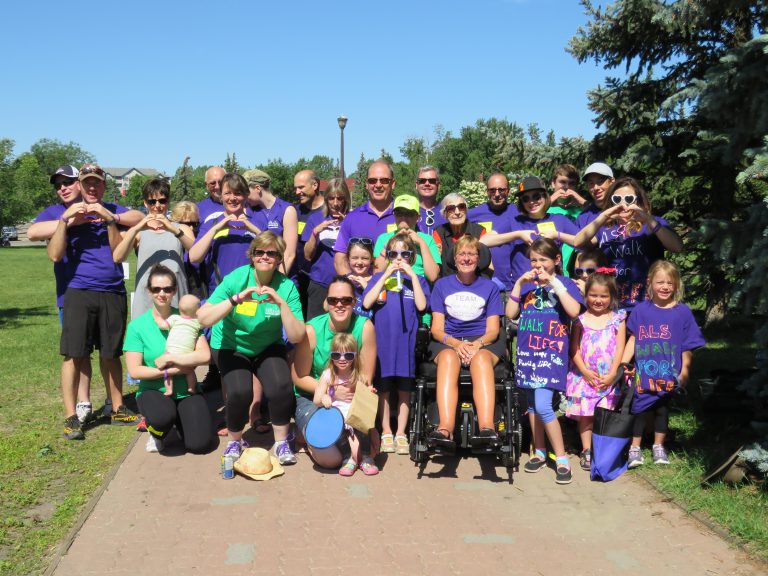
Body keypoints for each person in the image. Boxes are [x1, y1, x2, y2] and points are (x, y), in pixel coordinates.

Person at [48, 164, 144, 439]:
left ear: (103, 186)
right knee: (74, 354)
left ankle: (117, 407)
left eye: (97, 184)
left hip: (112, 289)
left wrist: (110, 218)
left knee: (111, 353)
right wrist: (65, 221)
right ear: (80, 184)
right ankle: (71, 416)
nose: (92, 188)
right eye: (87, 183)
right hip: (78, 290)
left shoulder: (111, 209)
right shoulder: (67, 212)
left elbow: (118, 254)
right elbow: (54, 254)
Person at [198, 232, 305, 465]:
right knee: (239, 392)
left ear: (279, 259)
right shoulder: (237, 278)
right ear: (252, 255)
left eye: (272, 253)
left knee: (281, 387)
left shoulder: (286, 287)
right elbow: (204, 318)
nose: (265, 257)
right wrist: (236, 299)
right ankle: (235, 441)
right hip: (231, 344)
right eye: (260, 252)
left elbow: (297, 335)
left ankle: (281, 443)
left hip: (267, 345)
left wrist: (281, 303)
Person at [506, 238, 583, 484]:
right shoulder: (528, 287)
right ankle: (538, 451)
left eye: (543, 260)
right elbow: (510, 313)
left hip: (551, 354)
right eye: (534, 260)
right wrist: (519, 283)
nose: (538, 265)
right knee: (531, 405)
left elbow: (573, 312)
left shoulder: (566, 283)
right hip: (528, 353)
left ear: (556, 261)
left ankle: (561, 458)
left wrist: (554, 283)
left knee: (543, 405)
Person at [622, 260, 705, 468]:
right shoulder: (641, 311)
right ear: (650, 282)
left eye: (670, 282)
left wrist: (685, 370)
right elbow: (633, 339)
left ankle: (659, 446)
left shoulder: (683, 312)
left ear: (676, 284)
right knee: (639, 409)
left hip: (668, 374)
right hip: (643, 373)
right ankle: (635, 448)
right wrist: (624, 362)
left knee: (661, 410)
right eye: (660, 282)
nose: (665, 287)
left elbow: (688, 345)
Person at [28, 165, 95, 423]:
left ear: (79, 183)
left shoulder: (94, 203)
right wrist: (67, 219)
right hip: (67, 294)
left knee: (91, 350)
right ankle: (80, 404)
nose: (63, 188)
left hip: (98, 290)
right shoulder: (55, 212)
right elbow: (33, 232)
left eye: (67, 182)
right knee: (74, 351)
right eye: (58, 185)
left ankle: (87, 400)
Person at [123, 265, 213, 453]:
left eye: (168, 289)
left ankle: (179, 422)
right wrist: (173, 370)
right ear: (149, 291)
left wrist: (174, 362)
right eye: (156, 289)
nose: (162, 293)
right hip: (153, 390)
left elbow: (205, 356)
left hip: (186, 391)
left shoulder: (187, 318)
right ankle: (156, 431)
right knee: (162, 418)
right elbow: (135, 370)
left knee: (199, 445)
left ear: (174, 291)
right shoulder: (137, 326)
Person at [291, 276, 377, 469]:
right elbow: (298, 377)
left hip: (350, 397)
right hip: (312, 396)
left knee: (363, 451)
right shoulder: (312, 330)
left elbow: (365, 378)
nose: (339, 304)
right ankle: (307, 435)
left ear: (354, 302)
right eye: (333, 300)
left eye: (346, 300)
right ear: (326, 303)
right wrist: (330, 391)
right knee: (331, 460)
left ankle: (326, 436)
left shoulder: (364, 327)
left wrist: (370, 426)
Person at [428, 236, 505, 447]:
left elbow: (493, 330)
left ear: (478, 258)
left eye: (471, 254)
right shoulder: (442, 286)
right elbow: (436, 329)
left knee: (480, 360)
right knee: (449, 359)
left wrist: (476, 345)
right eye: (462, 253)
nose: (466, 258)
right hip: (448, 340)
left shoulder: (490, 288)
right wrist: (456, 344)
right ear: (455, 257)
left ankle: (487, 428)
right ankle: (445, 428)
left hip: (483, 341)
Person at [363, 233, 430, 456]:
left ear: (412, 257)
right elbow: (366, 302)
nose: (399, 258)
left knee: (404, 390)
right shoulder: (379, 277)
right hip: (382, 344)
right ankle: (386, 431)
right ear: (388, 256)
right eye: (393, 254)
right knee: (383, 390)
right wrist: (384, 276)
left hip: (406, 344)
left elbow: (421, 306)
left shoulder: (417, 280)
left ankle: (401, 432)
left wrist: (411, 274)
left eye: (405, 254)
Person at [573, 177, 684, 310]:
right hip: (612, 305)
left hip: (648, 304)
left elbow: (678, 247)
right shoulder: (605, 227)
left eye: (629, 199)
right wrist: (603, 216)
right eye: (617, 200)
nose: (623, 204)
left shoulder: (652, 224)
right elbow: (577, 242)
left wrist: (648, 219)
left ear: (638, 200)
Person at [566, 269, 627, 471]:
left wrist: (612, 374)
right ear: (586, 295)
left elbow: (620, 347)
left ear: (612, 297)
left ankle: (603, 449)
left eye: (603, 296)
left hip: (607, 378)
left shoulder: (618, 318)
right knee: (586, 416)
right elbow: (573, 349)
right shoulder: (580, 320)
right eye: (593, 295)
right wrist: (584, 371)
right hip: (585, 377)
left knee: (605, 415)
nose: (598, 300)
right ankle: (586, 449)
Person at [113, 178, 195, 319]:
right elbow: (118, 257)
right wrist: (136, 228)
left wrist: (174, 230)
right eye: (152, 202)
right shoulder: (138, 232)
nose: (157, 206)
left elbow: (196, 252)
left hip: (175, 298)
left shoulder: (182, 228)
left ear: (168, 202)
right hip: (146, 299)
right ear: (145, 203)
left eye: (162, 201)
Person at [490, 176, 579, 288]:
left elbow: (586, 242)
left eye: (536, 197)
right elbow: (485, 240)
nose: (531, 202)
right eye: (526, 199)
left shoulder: (559, 219)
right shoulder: (514, 221)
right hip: (523, 292)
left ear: (545, 196)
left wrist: (557, 235)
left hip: (553, 289)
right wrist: (518, 235)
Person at [313, 333, 379, 476]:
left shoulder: (358, 375)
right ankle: (347, 458)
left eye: (348, 356)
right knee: (337, 428)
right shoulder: (328, 375)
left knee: (364, 423)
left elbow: (364, 394)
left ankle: (366, 458)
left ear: (354, 356)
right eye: (337, 355)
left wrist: (369, 392)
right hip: (337, 415)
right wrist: (324, 397)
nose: (342, 359)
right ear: (331, 356)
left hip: (355, 414)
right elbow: (316, 399)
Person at [189, 172, 261, 295]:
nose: (232, 198)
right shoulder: (211, 224)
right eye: (227, 193)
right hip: (220, 294)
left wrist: (254, 230)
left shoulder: (258, 221)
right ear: (221, 196)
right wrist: (216, 229)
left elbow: (276, 252)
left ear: (246, 195)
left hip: (253, 292)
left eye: (237, 193)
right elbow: (194, 257)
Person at [334, 160, 396, 275]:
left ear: (393, 184)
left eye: (384, 180)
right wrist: (355, 285)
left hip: (396, 290)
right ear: (366, 185)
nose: (378, 185)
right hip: (360, 291)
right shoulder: (352, 218)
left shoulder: (405, 217)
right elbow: (340, 260)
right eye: (372, 181)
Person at [302, 178, 351, 319]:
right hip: (320, 283)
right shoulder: (315, 219)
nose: (335, 203)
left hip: (345, 284)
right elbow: (307, 255)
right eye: (331, 198)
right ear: (326, 199)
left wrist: (347, 224)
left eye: (340, 198)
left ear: (346, 199)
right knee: (316, 329)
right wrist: (315, 233)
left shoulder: (352, 220)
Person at [373, 194, 441, 283]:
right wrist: (390, 242)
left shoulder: (427, 239)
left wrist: (421, 243)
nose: (403, 217)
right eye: (399, 213)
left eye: (409, 214)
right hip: (391, 292)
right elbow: (377, 273)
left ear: (418, 217)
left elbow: (433, 276)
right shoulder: (384, 238)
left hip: (418, 289)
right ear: (394, 215)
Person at [469, 173, 518, 292]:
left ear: (508, 191)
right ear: (487, 191)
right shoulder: (473, 214)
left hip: (512, 286)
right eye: (492, 190)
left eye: (501, 190)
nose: (497, 194)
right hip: (481, 284)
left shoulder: (518, 212)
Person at [245, 168, 298, 276]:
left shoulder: (287, 210)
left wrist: (275, 283)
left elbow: (289, 254)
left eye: (246, 192)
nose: (245, 197)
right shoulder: (249, 210)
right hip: (258, 280)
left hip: (282, 278)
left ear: (257, 188)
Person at [432, 193, 487, 277]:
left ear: (466, 210)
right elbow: (435, 264)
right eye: (451, 208)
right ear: (445, 214)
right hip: (448, 283)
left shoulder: (479, 231)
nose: (457, 212)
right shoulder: (439, 232)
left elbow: (486, 265)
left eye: (461, 207)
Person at [547, 164, 589, 276]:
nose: (566, 187)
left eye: (571, 183)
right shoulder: (545, 209)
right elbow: (529, 218)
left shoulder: (581, 211)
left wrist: (581, 201)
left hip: (574, 274)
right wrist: (549, 201)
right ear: (552, 183)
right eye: (562, 182)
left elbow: (599, 215)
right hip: (549, 273)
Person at [293, 169, 325, 312]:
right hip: (298, 279)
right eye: (295, 188)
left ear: (315, 185)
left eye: (301, 187)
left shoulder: (329, 211)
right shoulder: (294, 211)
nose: (297, 192)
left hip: (320, 281)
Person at [158, 294, 202, 396]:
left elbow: (163, 326)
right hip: (186, 354)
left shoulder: (175, 318)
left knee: (167, 372)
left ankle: (169, 389)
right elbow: (206, 323)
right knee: (190, 371)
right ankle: (191, 387)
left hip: (170, 352)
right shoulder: (197, 322)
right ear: (197, 311)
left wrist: (159, 320)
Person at [170, 201, 206, 299]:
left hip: (197, 289)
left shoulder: (201, 239)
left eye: (194, 224)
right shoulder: (169, 240)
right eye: (185, 224)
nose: (190, 227)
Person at [576, 162, 615, 229]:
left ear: (612, 181)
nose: (596, 188)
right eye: (591, 183)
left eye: (600, 181)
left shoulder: (623, 210)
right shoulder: (584, 217)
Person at [346, 238, 374, 320]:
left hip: (369, 328)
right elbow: (326, 306)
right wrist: (344, 285)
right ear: (348, 258)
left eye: (365, 258)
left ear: (372, 259)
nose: (359, 262)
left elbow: (381, 308)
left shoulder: (377, 282)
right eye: (354, 258)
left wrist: (367, 288)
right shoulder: (343, 280)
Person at [414, 165, 446, 236]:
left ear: (438, 186)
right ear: (416, 185)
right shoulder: (407, 212)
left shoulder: (447, 211)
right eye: (422, 181)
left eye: (432, 181)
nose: (427, 184)